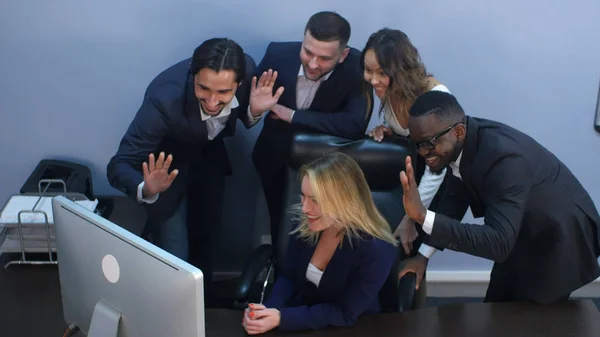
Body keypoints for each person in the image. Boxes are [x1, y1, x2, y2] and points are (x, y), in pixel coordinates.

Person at [398, 90, 600, 304]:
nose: (422, 152)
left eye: (428, 143)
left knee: (529, 322)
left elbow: (498, 244)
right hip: (515, 230)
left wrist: (421, 216)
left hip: (559, 238)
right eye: (417, 143)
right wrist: (423, 256)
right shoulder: (461, 143)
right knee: (496, 308)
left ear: (458, 132)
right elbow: (455, 198)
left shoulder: (504, 158)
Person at [106, 38, 258, 293]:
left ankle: (202, 308)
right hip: (164, 169)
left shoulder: (248, 71)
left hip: (209, 161)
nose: (211, 102)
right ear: (192, 75)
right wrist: (147, 188)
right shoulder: (163, 99)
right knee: (175, 256)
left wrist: (255, 112)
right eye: (204, 89)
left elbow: (242, 111)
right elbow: (118, 165)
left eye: (223, 93)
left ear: (238, 84)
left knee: (206, 242)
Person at [249, 11, 372, 258]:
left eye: (324, 58)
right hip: (275, 159)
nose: (313, 63)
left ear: (343, 55)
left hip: (326, 168)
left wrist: (293, 115)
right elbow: (248, 109)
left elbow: (353, 125)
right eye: (308, 52)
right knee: (281, 227)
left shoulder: (358, 68)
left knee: (325, 233)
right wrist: (254, 110)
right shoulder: (277, 55)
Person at [242, 152, 397, 334]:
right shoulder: (305, 224)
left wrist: (283, 318)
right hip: (303, 320)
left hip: (351, 327)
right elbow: (289, 276)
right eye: (303, 196)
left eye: (315, 200)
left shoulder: (377, 249)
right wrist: (268, 311)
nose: (305, 208)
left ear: (345, 200)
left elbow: (345, 312)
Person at [361, 28, 448, 257]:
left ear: (400, 71)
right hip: (415, 178)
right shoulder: (390, 90)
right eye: (368, 70)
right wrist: (389, 131)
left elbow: (437, 172)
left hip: (440, 182)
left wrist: (412, 217)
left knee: (414, 254)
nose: (373, 80)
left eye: (382, 72)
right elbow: (411, 132)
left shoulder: (433, 99)